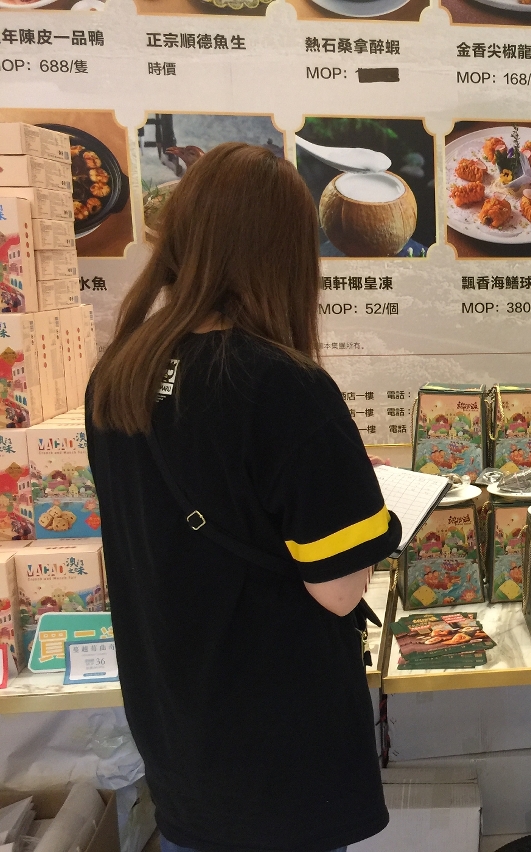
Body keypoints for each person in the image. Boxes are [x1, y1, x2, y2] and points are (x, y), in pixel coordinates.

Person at [86, 143, 402, 852]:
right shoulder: (282, 385)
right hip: (273, 745)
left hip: (178, 728)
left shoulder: (120, 371)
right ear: (286, 254)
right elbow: (339, 592)